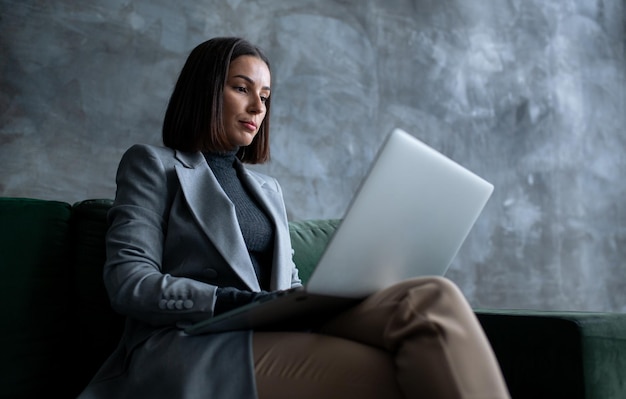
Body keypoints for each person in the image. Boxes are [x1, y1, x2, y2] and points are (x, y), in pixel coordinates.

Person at [78, 37, 510, 399]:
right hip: (195, 342)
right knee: (391, 372)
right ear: (207, 91)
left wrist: (310, 297)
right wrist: (230, 301)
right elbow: (129, 283)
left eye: (265, 97)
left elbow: (286, 281)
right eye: (242, 89)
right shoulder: (152, 165)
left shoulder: (268, 191)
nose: (257, 107)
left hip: (274, 322)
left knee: (431, 296)